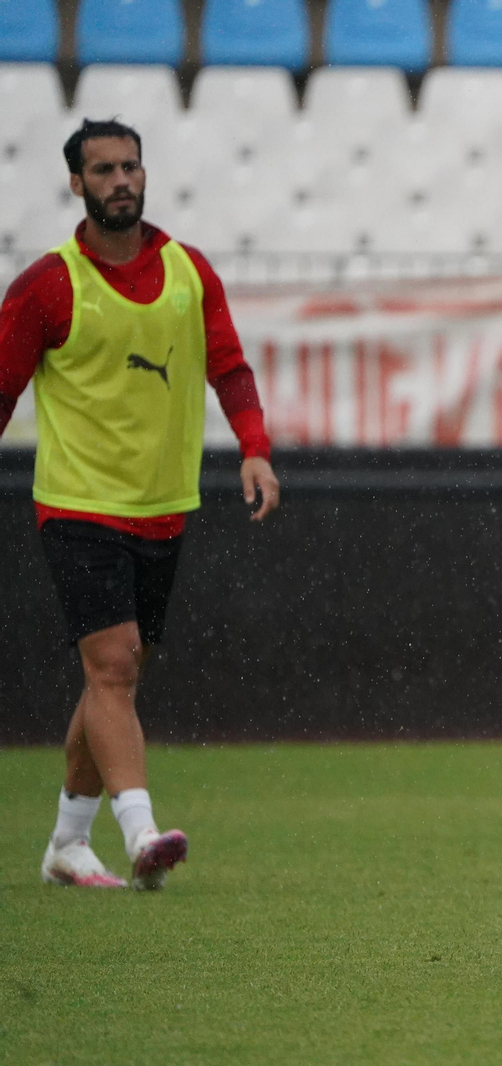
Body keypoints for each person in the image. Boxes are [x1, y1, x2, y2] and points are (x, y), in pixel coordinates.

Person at [0, 119, 280, 889]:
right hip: (77, 504)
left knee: (111, 682)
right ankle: (143, 834)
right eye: (103, 170)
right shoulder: (48, 284)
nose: (120, 180)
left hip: (163, 509)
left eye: (130, 166)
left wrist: (254, 447)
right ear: (76, 184)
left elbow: (229, 365)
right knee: (114, 668)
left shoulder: (189, 271)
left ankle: (66, 843)